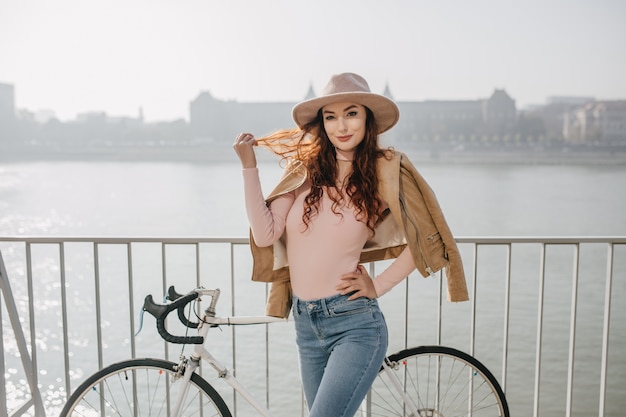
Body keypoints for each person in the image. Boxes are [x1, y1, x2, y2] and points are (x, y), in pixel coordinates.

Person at [233, 72, 468, 417]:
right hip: (306, 323)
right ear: (321, 124)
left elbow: (426, 238)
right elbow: (266, 233)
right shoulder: (302, 172)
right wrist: (249, 167)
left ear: (367, 118)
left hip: (355, 325)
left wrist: (377, 285)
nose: (341, 126)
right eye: (331, 117)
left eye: (351, 113)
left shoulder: (385, 171)